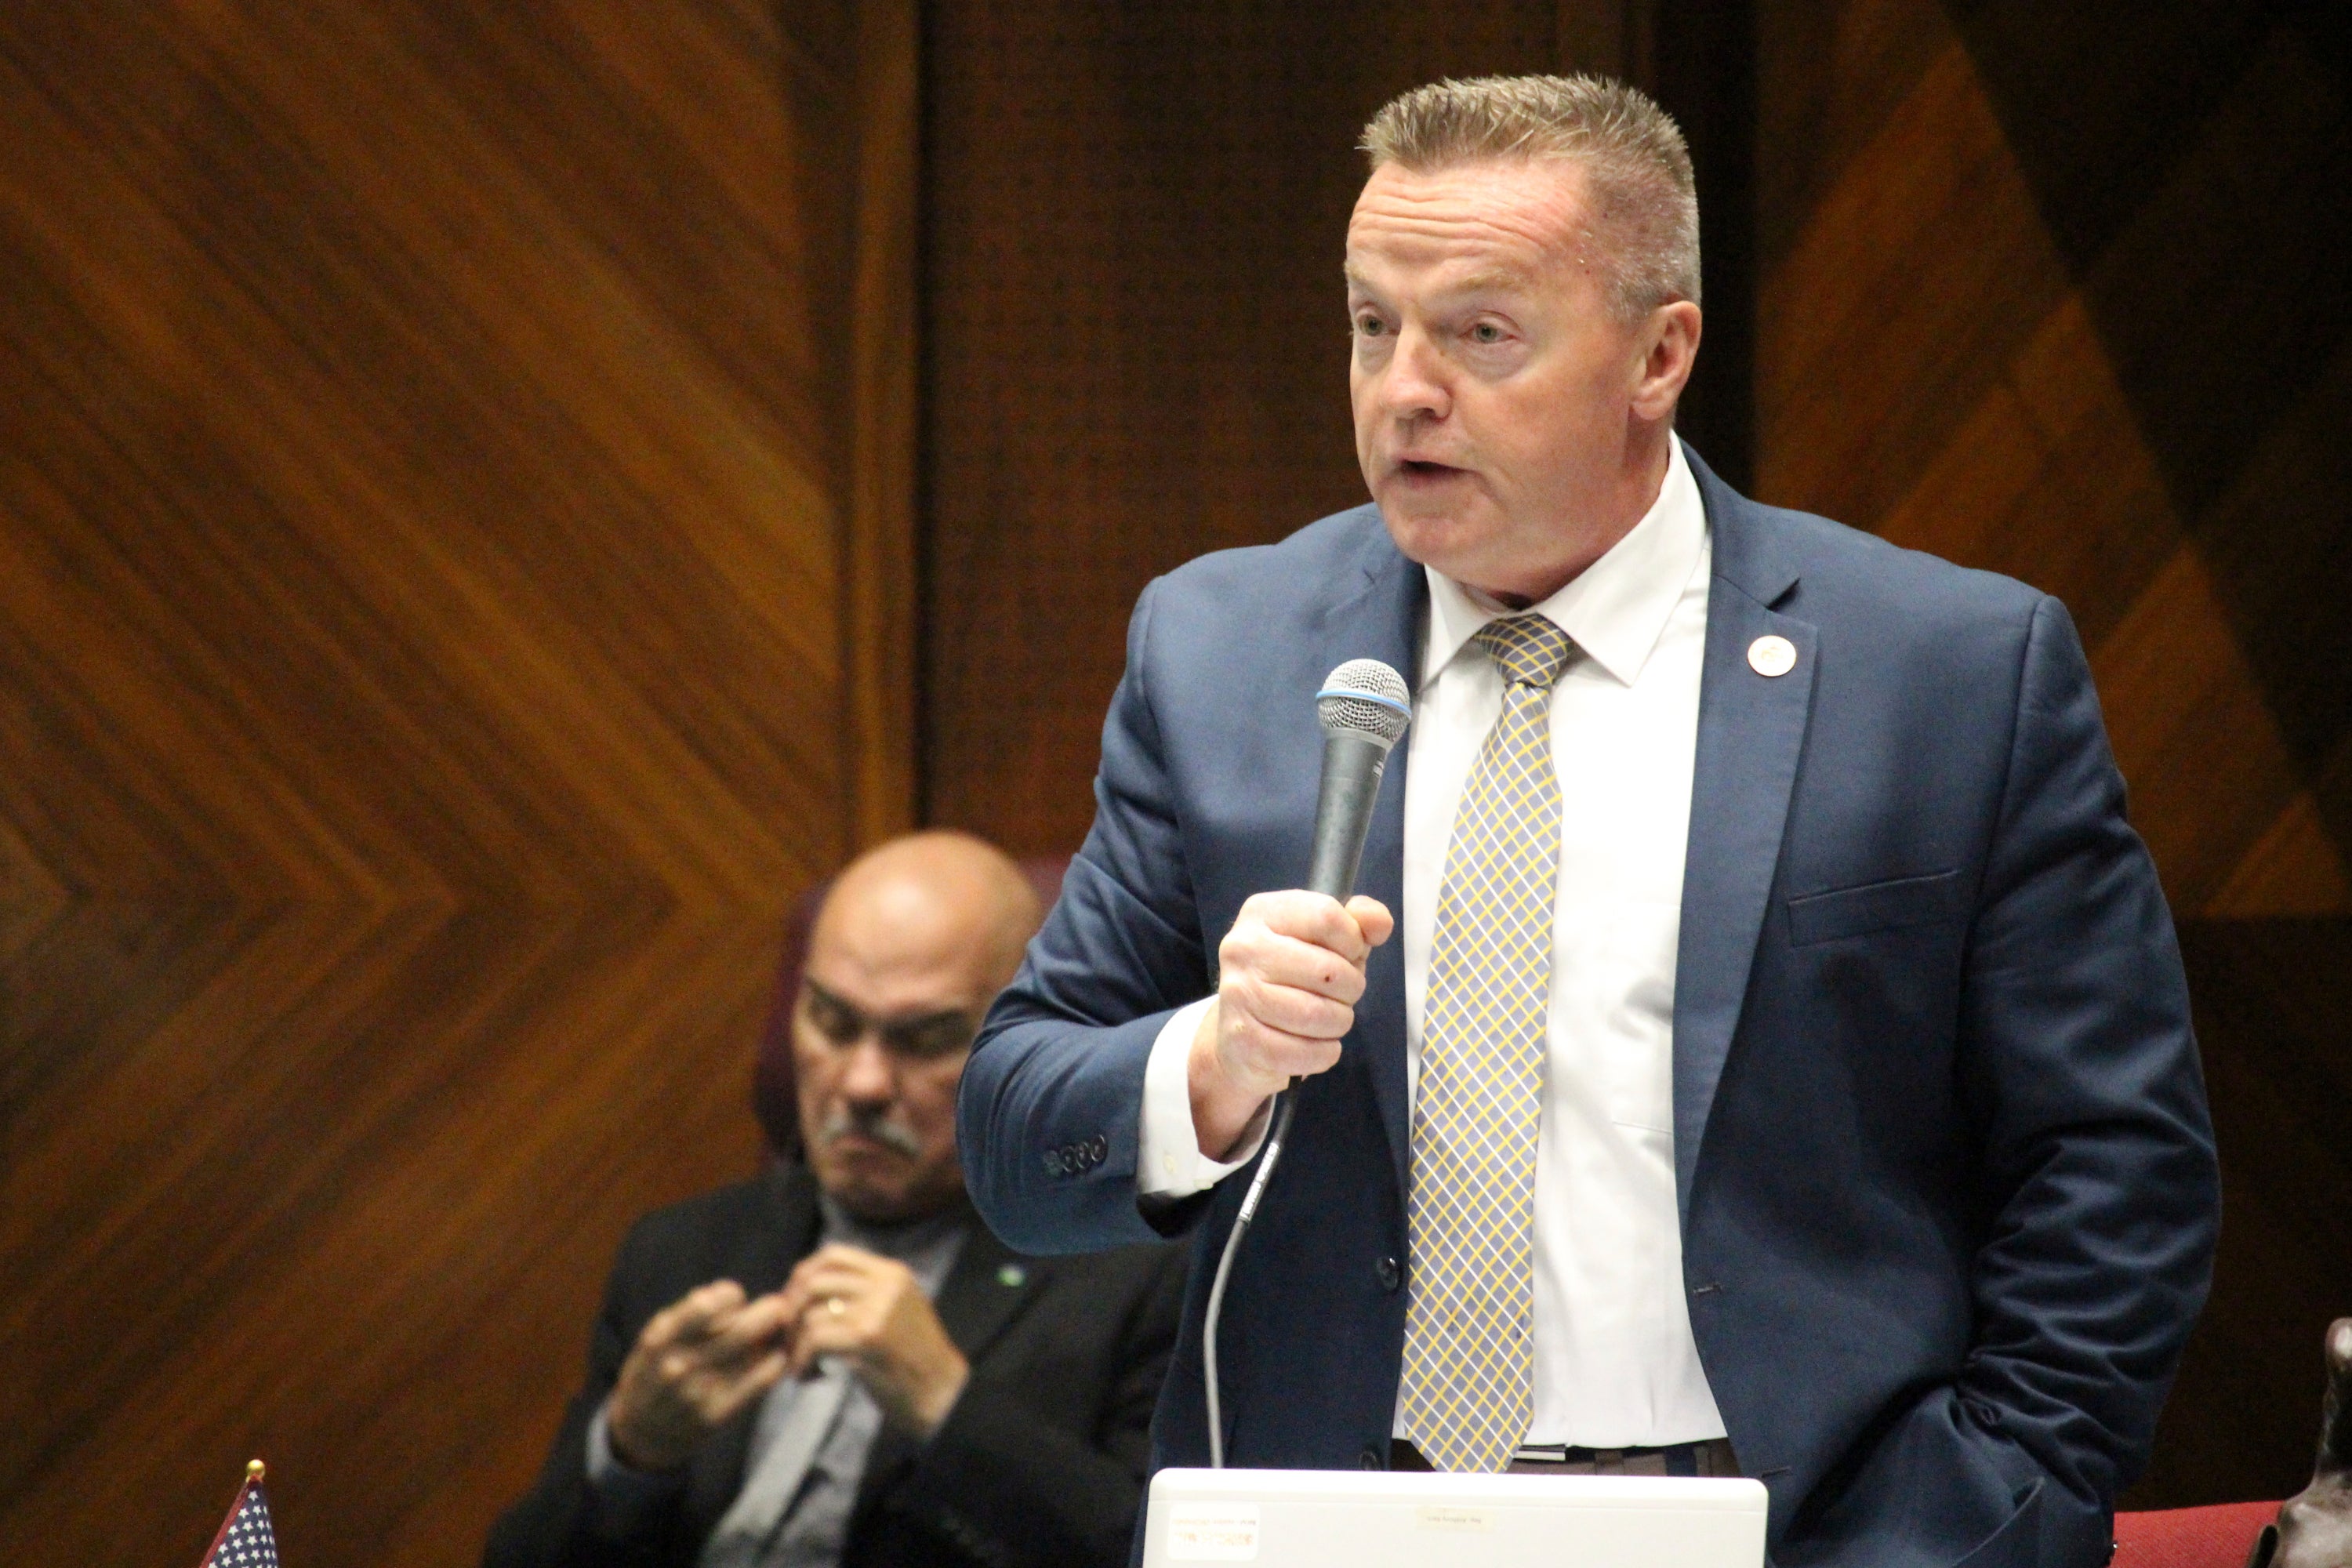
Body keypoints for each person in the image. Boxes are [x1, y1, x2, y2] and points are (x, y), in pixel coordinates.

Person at [956, 74, 2219, 1568]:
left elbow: (2114, 1165)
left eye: (1482, 334)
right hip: (1329, 1522)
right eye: (1373, 325)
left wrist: (1987, 1506)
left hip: (1799, 1525)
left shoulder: (1944, 674)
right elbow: (1019, 1146)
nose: (1403, 389)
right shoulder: (1224, 647)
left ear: (1659, 352)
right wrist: (1212, 1066)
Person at [486, 831, 1186, 1568]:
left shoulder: (1140, 1275)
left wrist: (947, 1406)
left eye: (926, 1039)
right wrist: (629, 1453)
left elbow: (1154, 1551)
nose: (861, 1085)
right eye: (833, 1021)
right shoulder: (683, 1250)